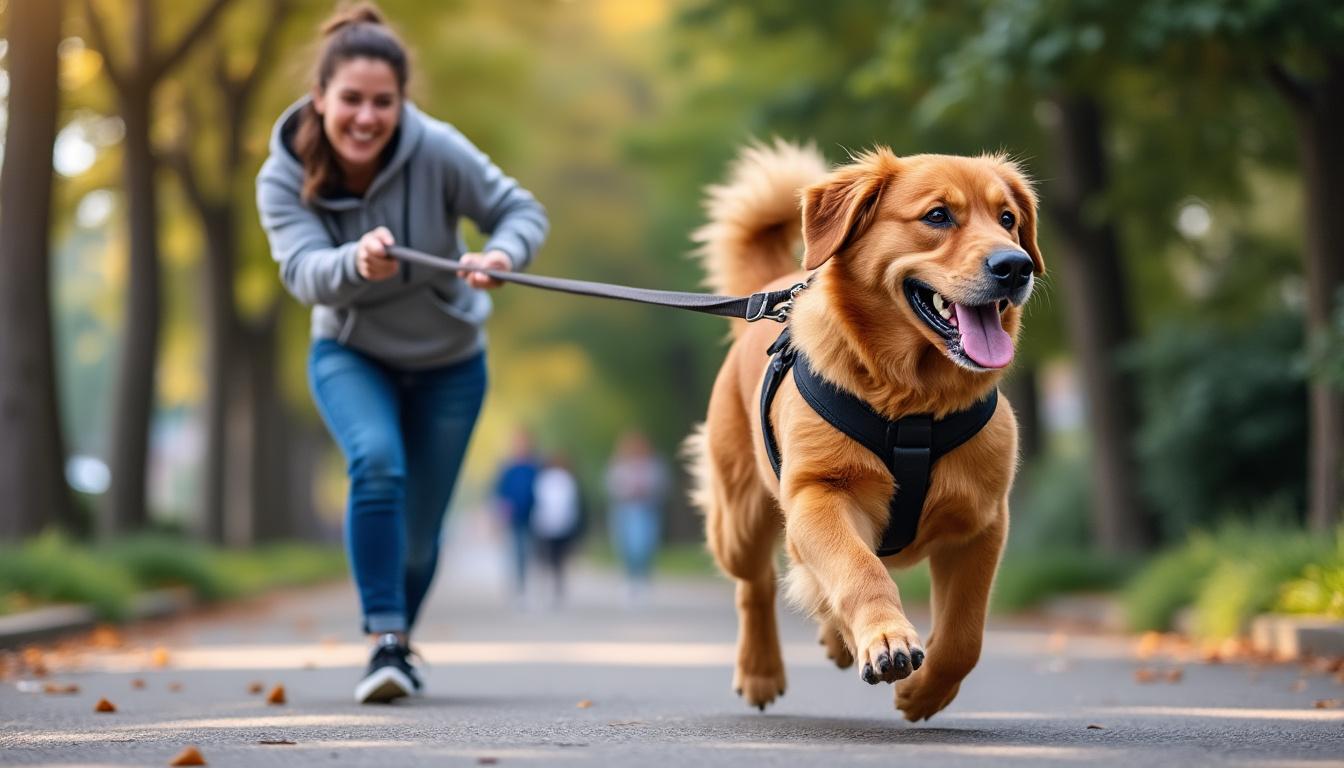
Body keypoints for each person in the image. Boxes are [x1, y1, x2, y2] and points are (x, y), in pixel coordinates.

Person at [256, 3, 547, 704]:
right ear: (321, 97)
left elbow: (520, 210)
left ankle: (398, 645)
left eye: (382, 102)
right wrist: (354, 261)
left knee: (420, 536)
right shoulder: (283, 176)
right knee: (377, 463)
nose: (366, 117)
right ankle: (385, 639)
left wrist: (501, 254)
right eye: (350, 100)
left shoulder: (438, 150)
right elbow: (301, 274)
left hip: (450, 361)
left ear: (401, 103)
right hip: (352, 353)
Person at [604, 431, 669, 602]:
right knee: (626, 547)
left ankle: (643, 579)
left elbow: (661, 484)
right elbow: (611, 485)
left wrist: (646, 489)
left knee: (645, 546)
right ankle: (629, 580)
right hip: (625, 509)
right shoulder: (619, 464)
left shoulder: (653, 464)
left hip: (646, 508)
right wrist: (626, 490)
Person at [492, 428, 541, 604]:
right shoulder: (508, 467)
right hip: (513, 516)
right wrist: (500, 514)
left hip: (532, 515)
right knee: (515, 550)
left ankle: (525, 584)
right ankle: (517, 586)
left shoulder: (535, 466)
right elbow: (499, 491)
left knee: (528, 551)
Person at [530, 453, 584, 607]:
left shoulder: (566, 480)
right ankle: (548, 587)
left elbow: (571, 503)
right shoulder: (546, 480)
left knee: (558, 559)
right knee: (550, 558)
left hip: (561, 525)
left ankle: (556, 587)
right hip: (548, 524)